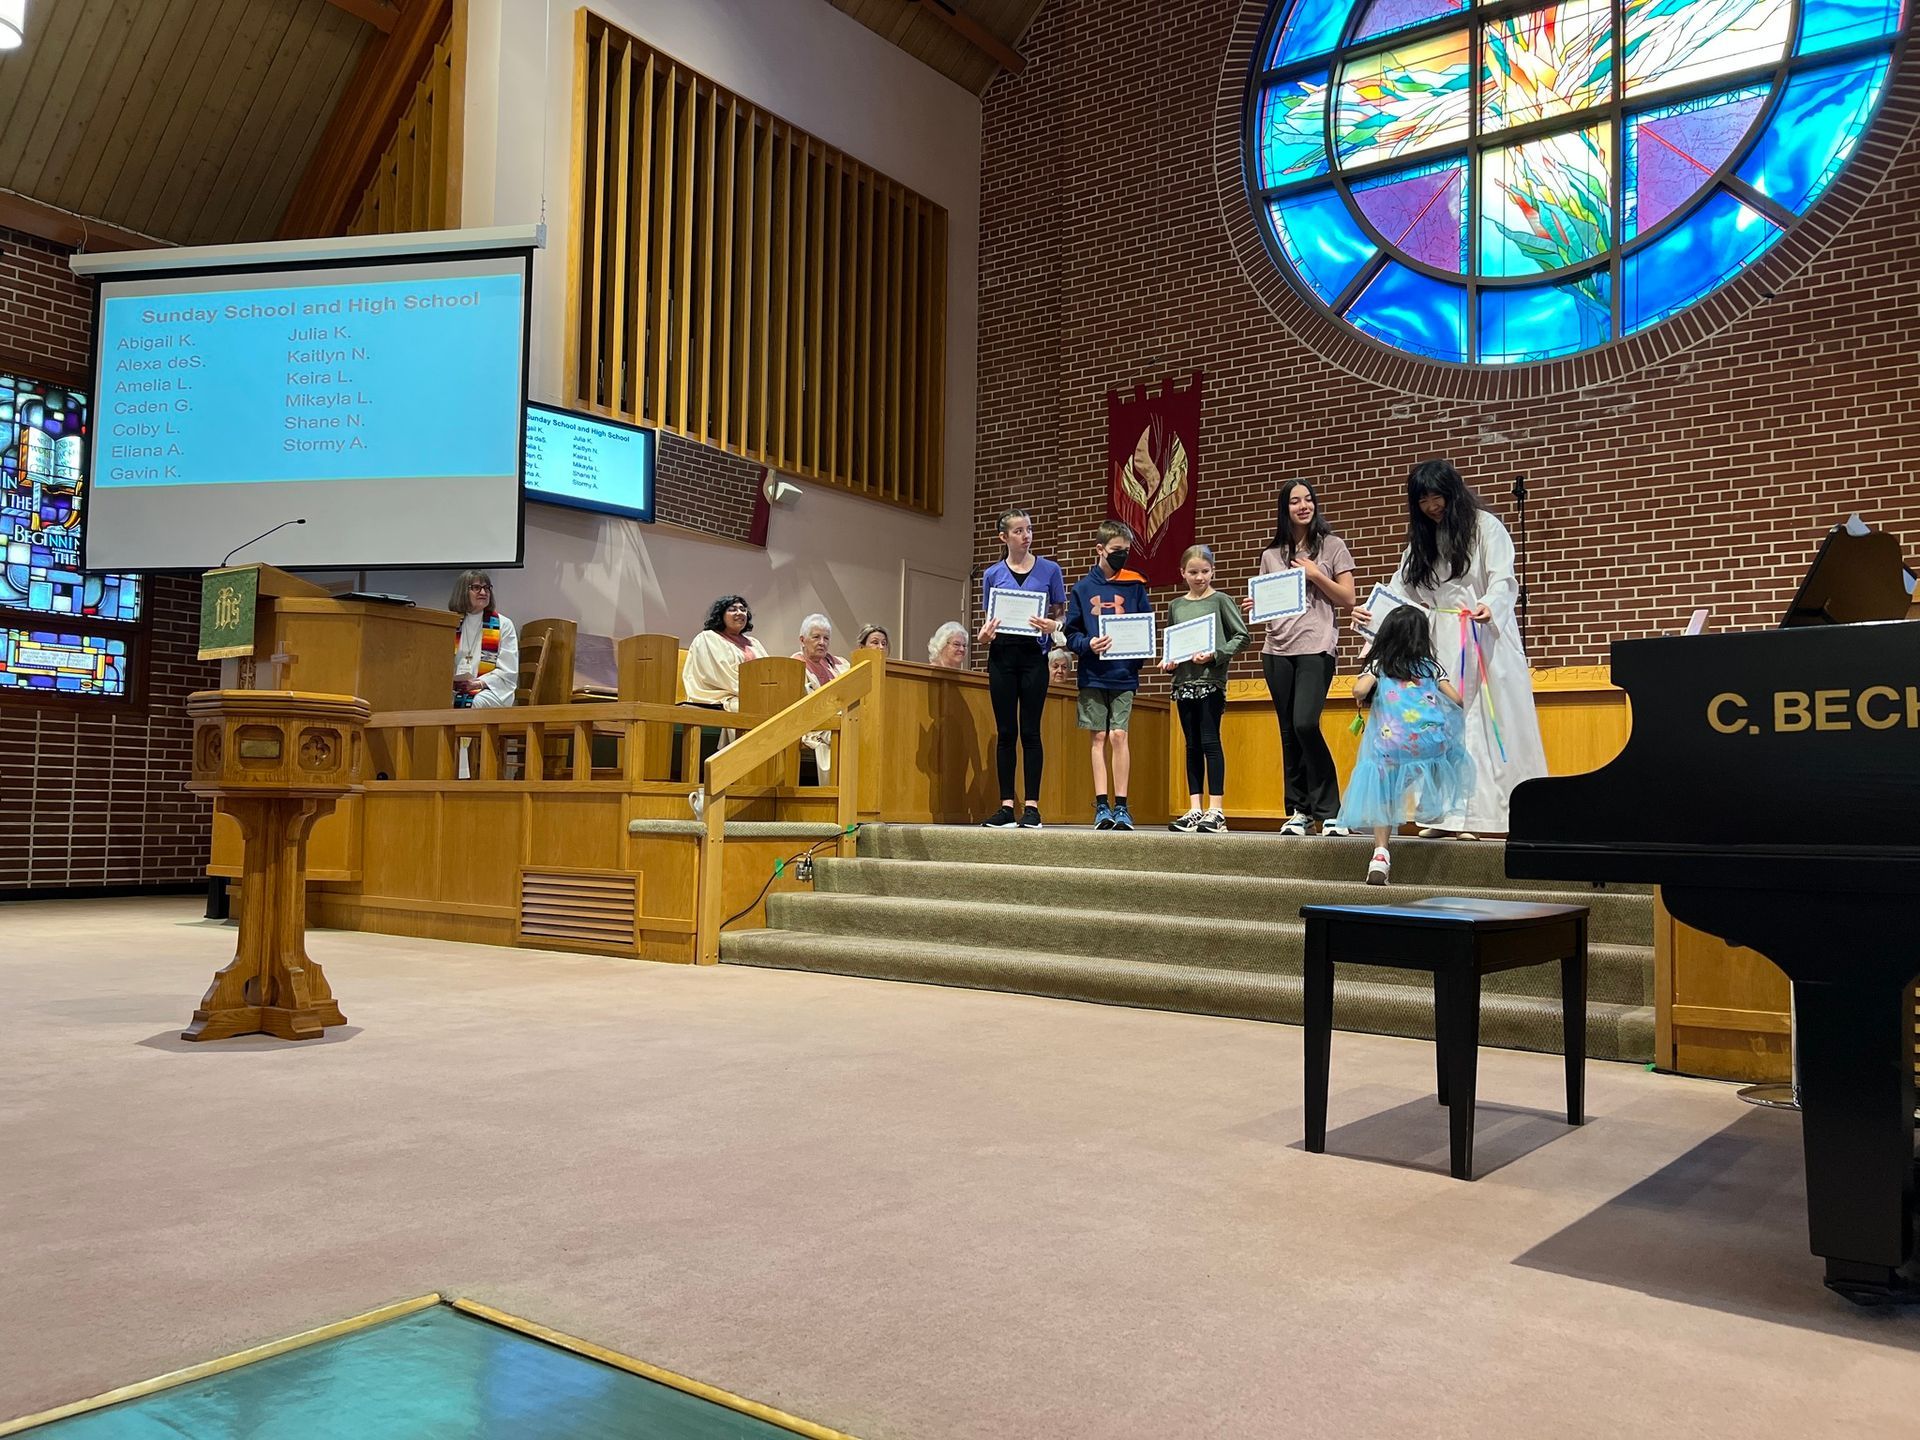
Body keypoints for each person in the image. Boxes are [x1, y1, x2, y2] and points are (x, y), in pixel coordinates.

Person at [1353, 459, 1547, 837]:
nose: (1431, 505)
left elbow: (1504, 580)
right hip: (1441, 638)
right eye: (1422, 499)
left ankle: (1494, 815)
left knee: (1490, 725)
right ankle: (1448, 816)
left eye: (1436, 495)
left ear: (1452, 491)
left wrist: (1490, 605)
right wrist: (1371, 616)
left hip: (1484, 636)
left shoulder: (1485, 527)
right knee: (1441, 726)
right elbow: (1400, 593)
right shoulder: (1421, 542)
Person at [1242, 480, 1355, 836]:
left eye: (1308, 500)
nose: (1303, 505)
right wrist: (1256, 605)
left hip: (1315, 647)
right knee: (1289, 732)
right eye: (1295, 501)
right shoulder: (1271, 554)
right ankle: (1298, 810)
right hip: (1276, 650)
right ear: (1285, 508)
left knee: (1306, 723)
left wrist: (1316, 573)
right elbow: (1269, 602)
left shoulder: (1332, 546)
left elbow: (1347, 599)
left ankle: (1330, 809)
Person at [1336, 607, 1476, 884]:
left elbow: (1358, 691)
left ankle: (1380, 854)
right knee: (1443, 761)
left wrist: (1370, 678)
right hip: (1429, 744)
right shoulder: (1431, 667)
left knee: (1384, 794)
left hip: (1392, 743)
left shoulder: (1380, 666)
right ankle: (1430, 809)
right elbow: (1457, 700)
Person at [977, 507, 1068, 828]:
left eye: (1028, 529)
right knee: (1005, 732)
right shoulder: (992, 575)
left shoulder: (1050, 570)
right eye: (1018, 531)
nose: (1026, 535)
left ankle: (1031, 807)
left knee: (1030, 731)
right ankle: (1005, 806)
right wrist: (985, 634)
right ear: (1004, 537)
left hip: (1033, 657)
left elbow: (1061, 614)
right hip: (1002, 657)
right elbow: (990, 619)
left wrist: (1051, 624)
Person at [1063, 520, 1151, 830]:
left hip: (1123, 674)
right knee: (1098, 736)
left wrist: (1134, 661)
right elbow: (1071, 634)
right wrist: (1089, 644)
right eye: (1116, 551)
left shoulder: (1135, 585)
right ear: (1100, 549)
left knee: (1119, 735)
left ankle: (1122, 806)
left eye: (1126, 551)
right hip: (1093, 674)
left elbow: (1145, 629)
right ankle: (1102, 805)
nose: (1122, 556)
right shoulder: (1082, 589)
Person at [1161, 544, 1250, 834]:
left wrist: (1215, 654)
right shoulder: (1176, 605)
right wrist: (1169, 662)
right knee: (1191, 746)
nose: (1199, 577)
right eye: (1193, 572)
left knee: (1210, 741)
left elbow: (1241, 636)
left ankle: (1217, 809)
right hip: (1183, 683)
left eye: (1205, 571)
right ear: (1182, 573)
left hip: (1210, 681)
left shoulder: (1221, 600)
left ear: (1212, 571)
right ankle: (1195, 808)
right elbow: (1173, 642)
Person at [683, 595, 769, 710]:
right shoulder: (708, 638)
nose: (739, 613)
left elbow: (769, 670)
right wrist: (755, 691)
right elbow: (720, 676)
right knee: (755, 707)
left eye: (743, 609)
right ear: (721, 615)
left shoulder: (754, 643)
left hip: (754, 694)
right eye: (732, 610)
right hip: (721, 697)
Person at [449, 570, 518, 708]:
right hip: (454, 688)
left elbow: (508, 670)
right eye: (476, 588)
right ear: (463, 591)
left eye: (486, 588)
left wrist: (478, 683)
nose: (483, 592)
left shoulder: (503, 624)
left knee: (475, 702)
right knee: (432, 698)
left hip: (491, 689)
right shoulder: (452, 623)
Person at [793, 613, 850, 778]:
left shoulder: (838, 665)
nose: (822, 643)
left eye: (826, 638)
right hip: (814, 723)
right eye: (816, 637)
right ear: (802, 640)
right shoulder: (795, 666)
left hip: (839, 719)